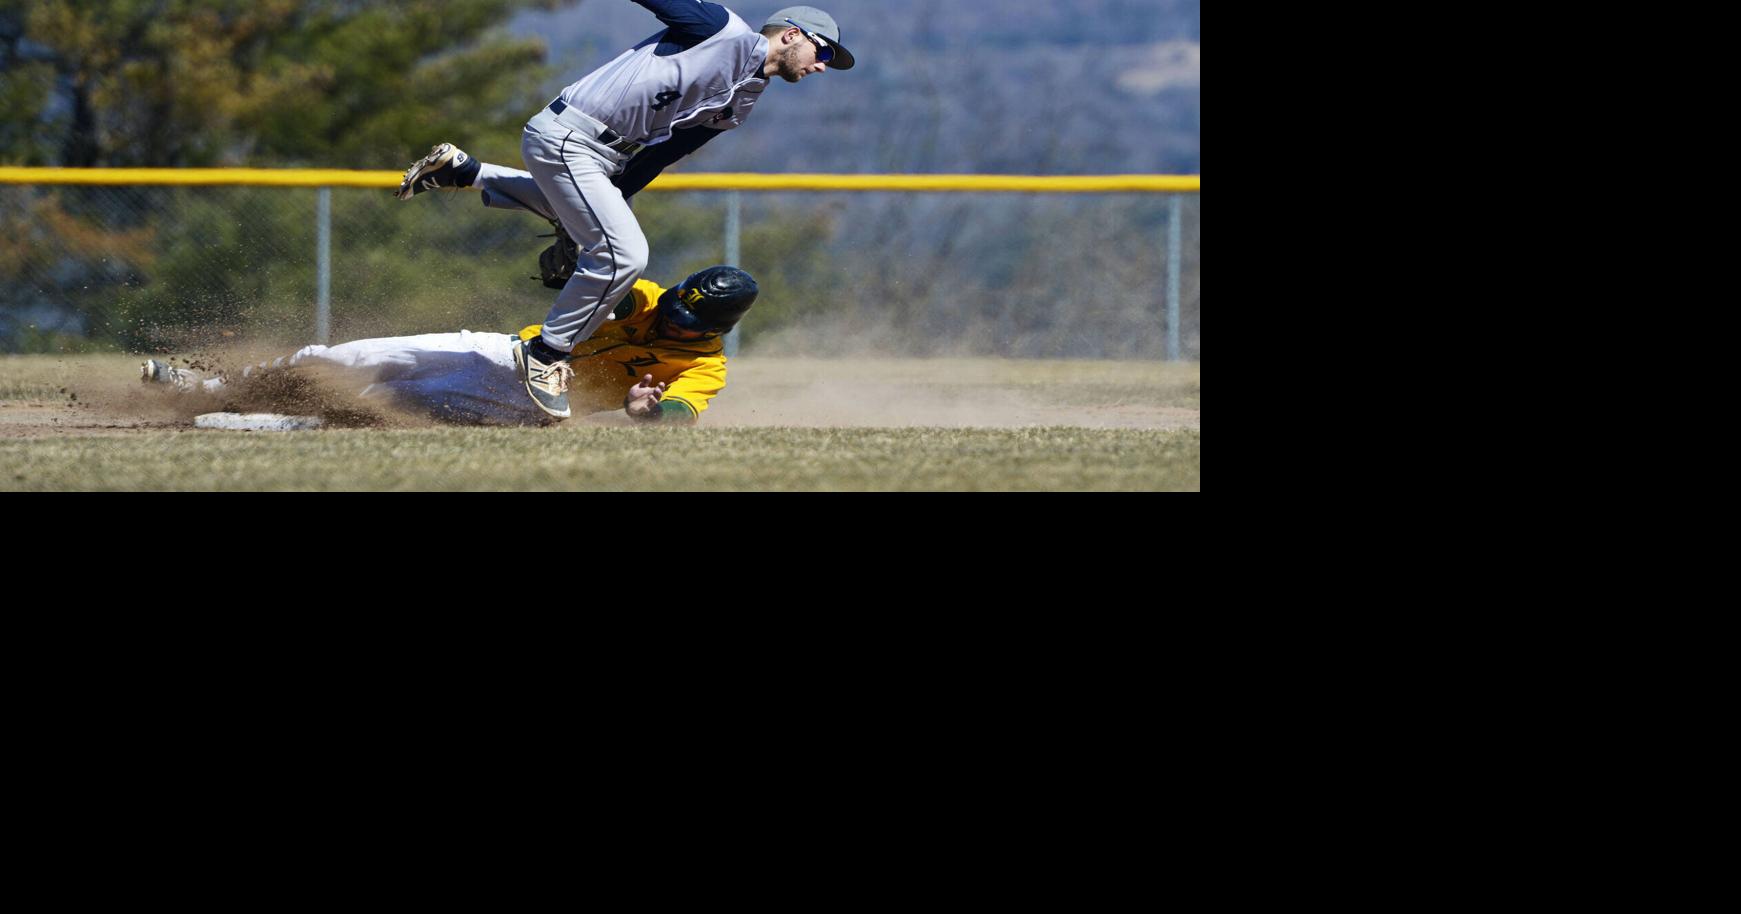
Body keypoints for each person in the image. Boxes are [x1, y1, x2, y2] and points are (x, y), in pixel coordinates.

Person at [392, 2, 853, 420]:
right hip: (573, 134)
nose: (823, 66)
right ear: (792, 35)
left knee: (604, 233)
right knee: (625, 256)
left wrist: (585, 224)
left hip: (607, 158)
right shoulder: (721, 30)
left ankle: (464, 172)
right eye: (825, 52)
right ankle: (547, 354)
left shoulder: (744, 99)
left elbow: (661, 154)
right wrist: (592, 234)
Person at [141, 267, 758, 427]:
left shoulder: (702, 365)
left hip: (523, 406)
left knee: (377, 402)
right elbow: (617, 293)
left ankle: (244, 422)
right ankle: (206, 389)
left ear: (713, 329)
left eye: (684, 318)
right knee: (335, 356)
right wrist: (581, 269)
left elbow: (685, 413)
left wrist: (651, 413)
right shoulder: (649, 298)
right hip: (495, 352)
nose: (669, 315)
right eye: (675, 302)